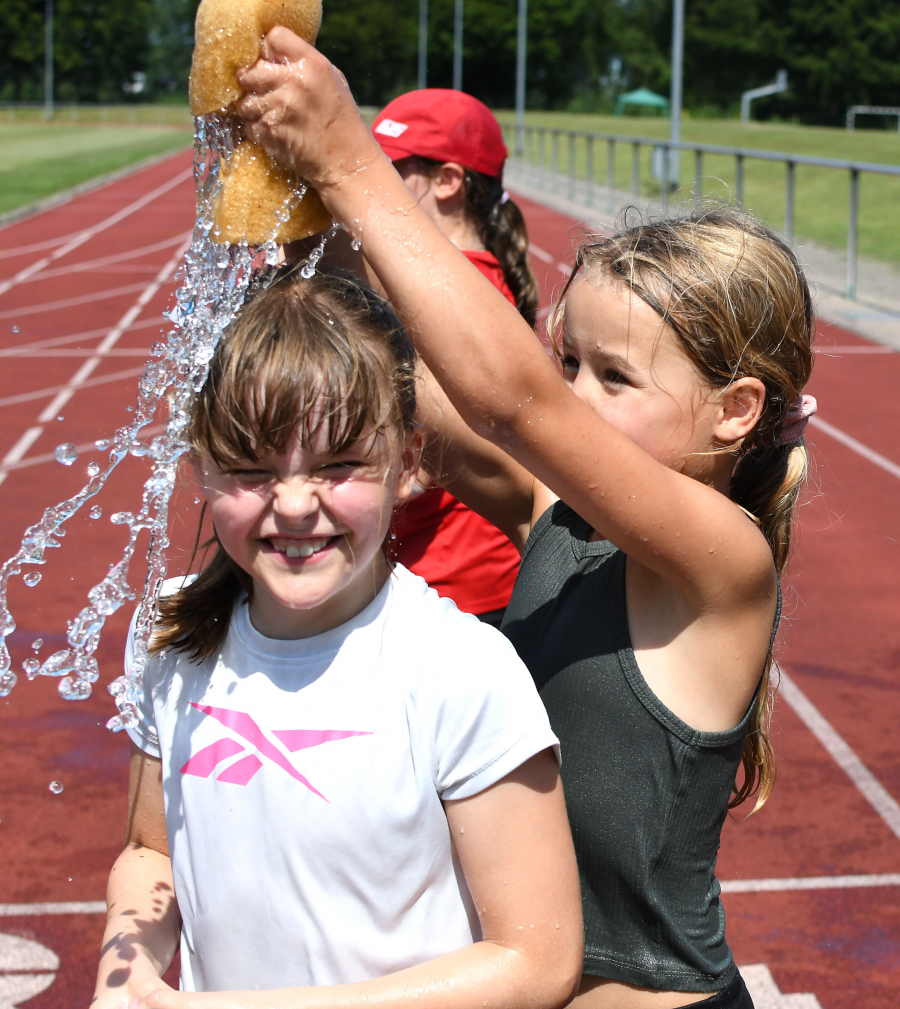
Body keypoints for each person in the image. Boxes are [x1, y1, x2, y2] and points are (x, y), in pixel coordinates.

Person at [235, 32, 817, 1009]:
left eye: (615, 377)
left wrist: (349, 155)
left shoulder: (723, 564)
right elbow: (416, 383)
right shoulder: (558, 516)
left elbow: (516, 406)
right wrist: (314, 214)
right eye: (570, 362)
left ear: (735, 411)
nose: (577, 395)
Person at [93, 264, 582, 1009]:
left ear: (409, 462)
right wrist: (122, 979)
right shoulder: (170, 633)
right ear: (201, 467)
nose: (293, 504)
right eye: (251, 469)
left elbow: (536, 959)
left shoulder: (462, 671)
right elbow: (149, 848)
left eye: (338, 465)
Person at [372, 89, 538, 627]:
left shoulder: (448, 295)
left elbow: (422, 462)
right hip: (457, 574)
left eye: (387, 172)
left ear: (447, 181)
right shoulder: (463, 280)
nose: (365, 190)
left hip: (451, 588)